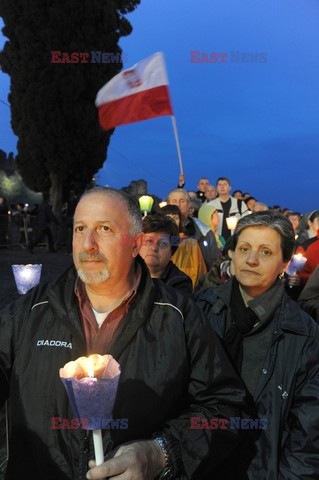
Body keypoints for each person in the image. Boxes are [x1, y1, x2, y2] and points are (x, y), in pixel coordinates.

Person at [0, 186, 250, 480]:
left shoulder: (179, 316)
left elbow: (227, 409)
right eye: (80, 228)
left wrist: (160, 453)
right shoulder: (29, 312)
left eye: (104, 228)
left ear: (136, 243)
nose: (88, 243)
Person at [195, 212, 319, 479]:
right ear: (231, 253)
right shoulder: (199, 310)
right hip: (201, 462)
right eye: (244, 249)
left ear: (285, 263)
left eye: (265, 252)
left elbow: (310, 429)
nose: (251, 260)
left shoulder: (303, 333)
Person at [139, 214, 193, 294]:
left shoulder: (180, 283)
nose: (154, 248)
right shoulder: (126, 275)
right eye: (149, 241)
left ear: (172, 251)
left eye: (162, 244)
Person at [167, 188, 219, 270]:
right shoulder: (159, 229)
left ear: (188, 205)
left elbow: (213, 262)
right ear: (168, 204)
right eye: (174, 201)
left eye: (182, 201)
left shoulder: (204, 231)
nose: (178, 204)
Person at [160, 204, 207, 288]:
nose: (172, 221)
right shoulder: (157, 243)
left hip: (186, 287)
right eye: (168, 218)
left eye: (176, 218)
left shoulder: (190, 243)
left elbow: (200, 271)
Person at [207, 177, 249, 242]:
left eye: (225, 184)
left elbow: (246, 222)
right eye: (219, 185)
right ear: (217, 188)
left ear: (230, 188)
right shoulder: (210, 205)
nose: (222, 187)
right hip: (217, 241)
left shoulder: (239, 204)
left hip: (235, 240)